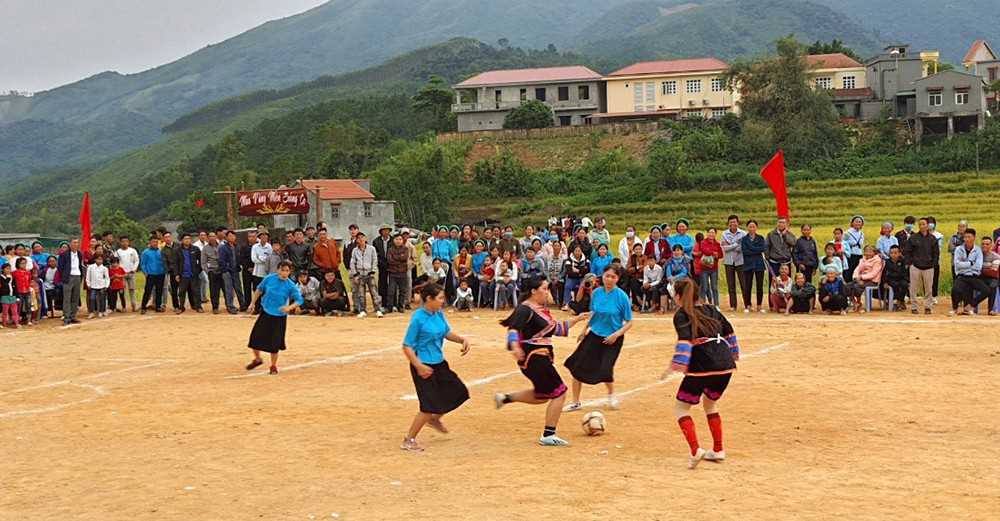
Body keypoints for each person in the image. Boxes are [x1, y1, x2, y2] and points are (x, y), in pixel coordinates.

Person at [494, 276, 591, 446]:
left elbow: (558, 329)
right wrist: (515, 346)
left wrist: (578, 318)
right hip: (534, 356)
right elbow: (513, 329)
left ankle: (505, 398)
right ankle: (548, 434)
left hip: (538, 357)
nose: (547, 292)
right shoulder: (525, 309)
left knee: (542, 395)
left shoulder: (540, 310)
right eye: (544, 289)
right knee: (560, 392)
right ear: (533, 291)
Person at [664, 278, 740, 469]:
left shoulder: (682, 314)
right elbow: (730, 333)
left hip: (701, 366)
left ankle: (695, 450)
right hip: (725, 366)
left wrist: (674, 366)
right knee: (710, 403)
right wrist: (733, 355)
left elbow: (684, 341)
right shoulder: (712, 309)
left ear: (680, 297)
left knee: (681, 408)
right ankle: (718, 449)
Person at [400, 283, 471, 452]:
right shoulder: (418, 318)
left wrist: (461, 339)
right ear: (429, 299)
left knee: (459, 392)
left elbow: (445, 332)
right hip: (423, 366)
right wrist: (418, 366)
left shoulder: (438, 313)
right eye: (439, 298)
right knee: (427, 406)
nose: (443, 301)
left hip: (439, 363)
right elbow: (407, 345)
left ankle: (434, 419)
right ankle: (408, 439)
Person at [563, 266, 633, 412]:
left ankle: (611, 395)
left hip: (612, 338)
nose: (609, 279)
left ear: (617, 279)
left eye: (613, 277)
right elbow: (594, 313)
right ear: (603, 277)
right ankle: (576, 402)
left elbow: (629, 322)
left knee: (606, 369)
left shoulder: (622, 296)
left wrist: (616, 335)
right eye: (607, 276)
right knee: (577, 366)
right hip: (594, 334)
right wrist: (584, 330)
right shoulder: (596, 293)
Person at [245, 261, 303, 375]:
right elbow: (259, 290)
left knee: (275, 342)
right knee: (255, 338)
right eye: (282, 270)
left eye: (287, 271)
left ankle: (273, 365)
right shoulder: (269, 279)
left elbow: (299, 300)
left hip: (279, 317)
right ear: (278, 270)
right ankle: (257, 359)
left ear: (290, 272)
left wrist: (289, 307)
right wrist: (252, 303)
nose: (284, 273)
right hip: (266, 312)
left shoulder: (290, 285)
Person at [904, 218, 940, 315]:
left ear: (928, 225)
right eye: (920, 224)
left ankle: (928, 307)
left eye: (924, 224)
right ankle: (914, 307)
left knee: (928, 288)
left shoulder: (933, 239)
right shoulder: (913, 238)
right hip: (915, 266)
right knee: (913, 288)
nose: (921, 226)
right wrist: (910, 263)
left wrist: (934, 264)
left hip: (929, 267)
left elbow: (936, 253)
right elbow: (907, 251)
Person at [951, 228, 990, 316]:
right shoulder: (958, 249)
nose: (967, 239)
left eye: (969, 237)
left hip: (973, 276)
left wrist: (965, 265)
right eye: (965, 237)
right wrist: (971, 263)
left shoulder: (978, 250)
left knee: (986, 290)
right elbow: (957, 264)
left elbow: (978, 266)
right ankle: (955, 308)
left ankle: (970, 305)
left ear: (974, 238)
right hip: (962, 276)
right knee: (955, 290)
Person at [350, 232, 384, 318]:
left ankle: (378, 310)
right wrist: (355, 274)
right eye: (359, 238)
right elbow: (352, 262)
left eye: (362, 237)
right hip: (360, 274)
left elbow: (374, 260)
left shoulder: (371, 249)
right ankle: (362, 310)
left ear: (365, 239)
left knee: (374, 292)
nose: (361, 239)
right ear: (357, 240)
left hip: (369, 273)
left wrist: (373, 271)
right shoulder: (355, 250)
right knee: (361, 293)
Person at [845, 246, 884, 312]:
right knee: (847, 286)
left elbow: (873, 274)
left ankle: (858, 302)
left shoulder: (877, 261)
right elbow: (857, 269)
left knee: (856, 286)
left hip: (872, 281)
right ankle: (855, 303)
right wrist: (856, 277)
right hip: (861, 279)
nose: (867, 253)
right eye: (866, 251)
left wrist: (861, 277)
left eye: (870, 251)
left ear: (874, 253)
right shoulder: (862, 260)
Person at [739, 220, 767, 313]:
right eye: (750, 227)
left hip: (759, 264)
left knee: (759, 286)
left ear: (756, 228)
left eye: (753, 226)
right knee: (748, 286)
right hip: (748, 264)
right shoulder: (744, 239)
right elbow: (745, 251)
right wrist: (756, 250)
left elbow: (762, 249)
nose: (752, 228)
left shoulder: (761, 238)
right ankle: (748, 305)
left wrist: (751, 248)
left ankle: (759, 305)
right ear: (747, 228)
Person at [720, 215, 746, 311]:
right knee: (731, 285)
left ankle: (747, 305)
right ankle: (733, 306)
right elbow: (724, 248)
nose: (733, 224)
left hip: (741, 261)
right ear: (728, 224)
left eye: (734, 222)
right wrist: (736, 245)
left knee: (744, 284)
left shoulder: (743, 233)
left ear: (738, 223)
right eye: (731, 222)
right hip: (728, 261)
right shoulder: (724, 234)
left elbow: (743, 247)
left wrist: (730, 245)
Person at [57, 239, 85, 325]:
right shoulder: (64, 255)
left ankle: (73, 316)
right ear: (70, 244)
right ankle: (67, 317)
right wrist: (65, 276)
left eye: (77, 243)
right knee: (67, 298)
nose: (76, 244)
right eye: (74, 243)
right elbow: (60, 267)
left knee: (75, 298)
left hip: (77, 276)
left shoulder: (79, 254)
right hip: (68, 277)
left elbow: (80, 264)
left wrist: (81, 275)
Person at [173, 234, 203, 314]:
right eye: (185, 239)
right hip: (183, 275)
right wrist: (176, 274)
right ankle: (181, 307)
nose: (187, 240)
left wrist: (198, 270)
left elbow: (200, 261)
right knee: (181, 292)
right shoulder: (177, 250)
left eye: (189, 238)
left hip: (194, 275)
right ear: (182, 240)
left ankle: (198, 307)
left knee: (196, 291)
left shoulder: (195, 249)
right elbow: (175, 263)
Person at [765, 217, 796, 290]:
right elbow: (766, 246)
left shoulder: (790, 234)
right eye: (779, 222)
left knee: (786, 283)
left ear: (786, 224)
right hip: (774, 262)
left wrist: (785, 235)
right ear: (777, 223)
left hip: (786, 262)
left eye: (783, 222)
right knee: (773, 283)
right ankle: (772, 301)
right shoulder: (771, 234)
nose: (781, 224)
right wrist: (768, 258)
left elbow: (794, 243)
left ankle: (787, 301)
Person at [218, 231, 245, 314]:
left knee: (239, 288)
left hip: (235, 270)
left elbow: (239, 258)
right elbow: (221, 260)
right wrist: (225, 269)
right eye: (229, 236)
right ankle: (230, 306)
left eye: (233, 236)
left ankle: (243, 305)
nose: (232, 237)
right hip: (227, 271)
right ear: (226, 237)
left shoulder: (237, 246)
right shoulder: (223, 247)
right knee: (229, 290)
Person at [138, 236, 165, 314]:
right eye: (153, 242)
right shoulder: (146, 252)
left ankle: (158, 306)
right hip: (150, 274)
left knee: (159, 291)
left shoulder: (160, 251)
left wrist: (164, 270)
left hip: (160, 274)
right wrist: (145, 272)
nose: (155, 243)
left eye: (156, 242)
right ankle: (143, 307)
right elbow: (143, 264)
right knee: (148, 291)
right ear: (150, 242)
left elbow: (163, 262)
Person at [385, 234, 411, 313]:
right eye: (396, 239)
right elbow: (390, 260)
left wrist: (396, 258)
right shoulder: (390, 249)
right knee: (391, 291)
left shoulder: (406, 249)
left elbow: (404, 258)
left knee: (402, 291)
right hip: (393, 273)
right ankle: (389, 307)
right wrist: (399, 258)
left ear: (402, 240)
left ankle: (401, 306)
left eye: (400, 239)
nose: (398, 241)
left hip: (402, 272)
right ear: (393, 240)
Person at [698, 228, 722, 306]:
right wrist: (714, 253)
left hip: (714, 268)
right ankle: (703, 304)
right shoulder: (703, 242)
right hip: (704, 268)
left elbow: (721, 254)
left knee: (714, 287)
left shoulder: (717, 244)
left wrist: (715, 254)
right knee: (704, 287)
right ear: (707, 233)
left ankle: (716, 305)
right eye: (710, 232)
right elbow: (704, 251)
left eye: (713, 232)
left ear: (715, 234)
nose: (711, 234)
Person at [115, 237, 140, 312]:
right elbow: (116, 262)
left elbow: (137, 260)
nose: (124, 243)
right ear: (120, 242)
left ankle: (134, 305)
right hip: (122, 274)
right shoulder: (118, 252)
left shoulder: (133, 251)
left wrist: (134, 269)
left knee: (132, 289)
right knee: (122, 290)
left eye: (126, 241)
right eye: (123, 241)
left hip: (131, 273)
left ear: (129, 242)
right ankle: (123, 306)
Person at [200, 232, 222, 314]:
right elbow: (203, 262)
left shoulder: (221, 246)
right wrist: (208, 271)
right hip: (212, 271)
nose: (212, 238)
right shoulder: (205, 248)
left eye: (213, 236)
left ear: (216, 237)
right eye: (210, 236)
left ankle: (229, 306)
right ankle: (215, 307)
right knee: (214, 290)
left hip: (221, 270)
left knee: (225, 289)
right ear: (208, 238)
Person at [562, 244, 590, 310]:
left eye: (579, 251)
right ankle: (566, 303)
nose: (577, 252)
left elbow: (587, 271)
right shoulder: (569, 260)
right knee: (567, 286)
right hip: (571, 278)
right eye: (576, 251)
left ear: (581, 251)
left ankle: (582, 304)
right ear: (573, 251)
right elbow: (569, 272)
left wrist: (577, 271)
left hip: (582, 278)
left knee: (584, 286)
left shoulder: (586, 260)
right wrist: (580, 271)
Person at [882, 245, 909, 310]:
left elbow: (905, 272)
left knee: (904, 284)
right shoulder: (887, 262)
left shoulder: (902, 261)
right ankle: (897, 302)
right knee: (895, 285)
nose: (893, 255)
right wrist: (885, 282)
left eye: (895, 253)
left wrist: (907, 280)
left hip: (901, 278)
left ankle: (900, 301)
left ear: (899, 253)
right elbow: (884, 273)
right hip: (891, 279)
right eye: (891, 253)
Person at [372, 225, 393, 309]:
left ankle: (392, 303)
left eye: (387, 230)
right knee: (382, 284)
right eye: (384, 230)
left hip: (392, 265)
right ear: (381, 231)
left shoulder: (393, 240)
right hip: (381, 265)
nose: (385, 232)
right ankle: (383, 303)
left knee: (392, 285)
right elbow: (375, 254)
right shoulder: (376, 241)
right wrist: (381, 263)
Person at [543, 239, 567, 307]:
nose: (556, 247)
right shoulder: (548, 257)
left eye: (558, 246)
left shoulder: (564, 258)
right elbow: (545, 269)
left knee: (560, 283)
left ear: (560, 247)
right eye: (555, 246)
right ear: (552, 247)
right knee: (544, 284)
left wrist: (557, 278)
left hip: (559, 277)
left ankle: (560, 302)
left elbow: (564, 271)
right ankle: (544, 303)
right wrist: (549, 278)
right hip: (549, 277)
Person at [85, 255, 109, 319]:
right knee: (92, 298)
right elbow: (88, 277)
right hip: (93, 286)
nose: (99, 261)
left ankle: (101, 311)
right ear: (95, 260)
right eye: (98, 259)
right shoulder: (91, 267)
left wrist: (106, 285)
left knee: (102, 299)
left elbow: (107, 278)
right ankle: (92, 312)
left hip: (102, 286)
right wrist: (88, 284)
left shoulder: (104, 268)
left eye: (101, 259)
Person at [979, 236, 999, 316]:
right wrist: (988, 266)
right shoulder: (977, 254)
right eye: (983, 244)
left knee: (993, 285)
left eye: (987, 244)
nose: (985, 246)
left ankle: (990, 309)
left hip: (991, 278)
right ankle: (971, 306)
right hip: (979, 277)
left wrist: (981, 268)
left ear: (991, 245)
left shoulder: (996, 256)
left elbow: (993, 271)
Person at [160, 232, 179, 310]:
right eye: (165, 237)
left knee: (185, 289)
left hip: (181, 270)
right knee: (174, 290)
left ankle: (190, 304)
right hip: (172, 272)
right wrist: (168, 271)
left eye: (168, 236)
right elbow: (164, 263)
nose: (167, 238)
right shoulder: (163, 250)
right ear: (164, 239)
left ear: (171, 237)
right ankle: (176, 306)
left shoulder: (178, 246)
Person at [12, 258, 34, 325]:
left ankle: (29, 320)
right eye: (22, 263)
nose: (24, 265)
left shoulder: (28, 272)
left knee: (28, 305)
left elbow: (30, 281)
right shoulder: (14, 273)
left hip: (27, 291)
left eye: (25, 263)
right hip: (19, 291)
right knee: (19, 306)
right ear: (18, 264)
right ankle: (17, 320)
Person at [844, 216, 865, 282]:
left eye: (859, 222)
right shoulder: (847, 233)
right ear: (852, 223)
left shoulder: (861, 233)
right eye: (856, 221)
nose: (858, 223)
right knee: (849, 272)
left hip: (859, 254)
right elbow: (843, 243)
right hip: (850, 255)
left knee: (858, 271)